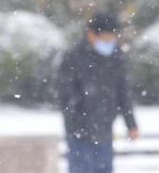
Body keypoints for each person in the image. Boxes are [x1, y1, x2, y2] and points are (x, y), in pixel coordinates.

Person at [57, 12, 140, 173]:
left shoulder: (116, 57)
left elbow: (123, 92)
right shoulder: (74, 57)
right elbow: (64, 94)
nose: (110, 43)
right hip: (79, 132)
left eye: (113, 38)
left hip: (105, 130)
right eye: (106, 38)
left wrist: (131, 124)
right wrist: (76, 118)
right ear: (91, 34)